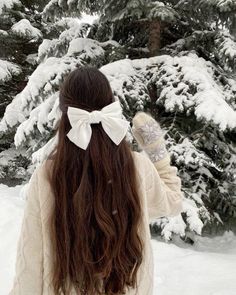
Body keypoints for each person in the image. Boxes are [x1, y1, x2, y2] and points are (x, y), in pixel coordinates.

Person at [9, 66, 184, 295]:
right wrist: (157, 152)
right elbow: (172, 202)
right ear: (110, 107)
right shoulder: (135, 167)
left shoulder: (48, 175)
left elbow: (30, 262)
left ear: (65, 115)